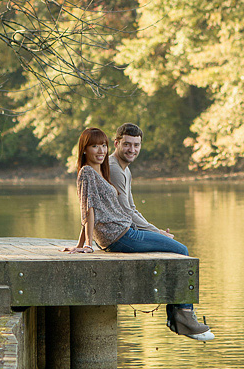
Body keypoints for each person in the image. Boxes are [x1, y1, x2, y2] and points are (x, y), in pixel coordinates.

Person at [65, 127, 214, 341]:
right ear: (84, 149)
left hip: (121, 232)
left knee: (176, 250)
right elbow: (89, 209)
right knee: (181, 250)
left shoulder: (102, 169)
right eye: (95, 146)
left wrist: (81, 243)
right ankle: (183, 316)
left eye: (102, 145)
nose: (100, 150)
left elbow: (108, 208)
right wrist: (87, 244)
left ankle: (178, 317)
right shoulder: (94, 171)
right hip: (120, 235)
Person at [109, 122, 172, 238]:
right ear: (116, 144)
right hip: (116, 235)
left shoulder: (126, 170)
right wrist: (158, 233)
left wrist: (155, 230)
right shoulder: (113, 168)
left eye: (136, 145)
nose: (132, 150)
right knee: (180, 249)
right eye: (127, 144)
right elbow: (126, 212)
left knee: (170, 243)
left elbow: (132, 209)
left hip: (124, 230)